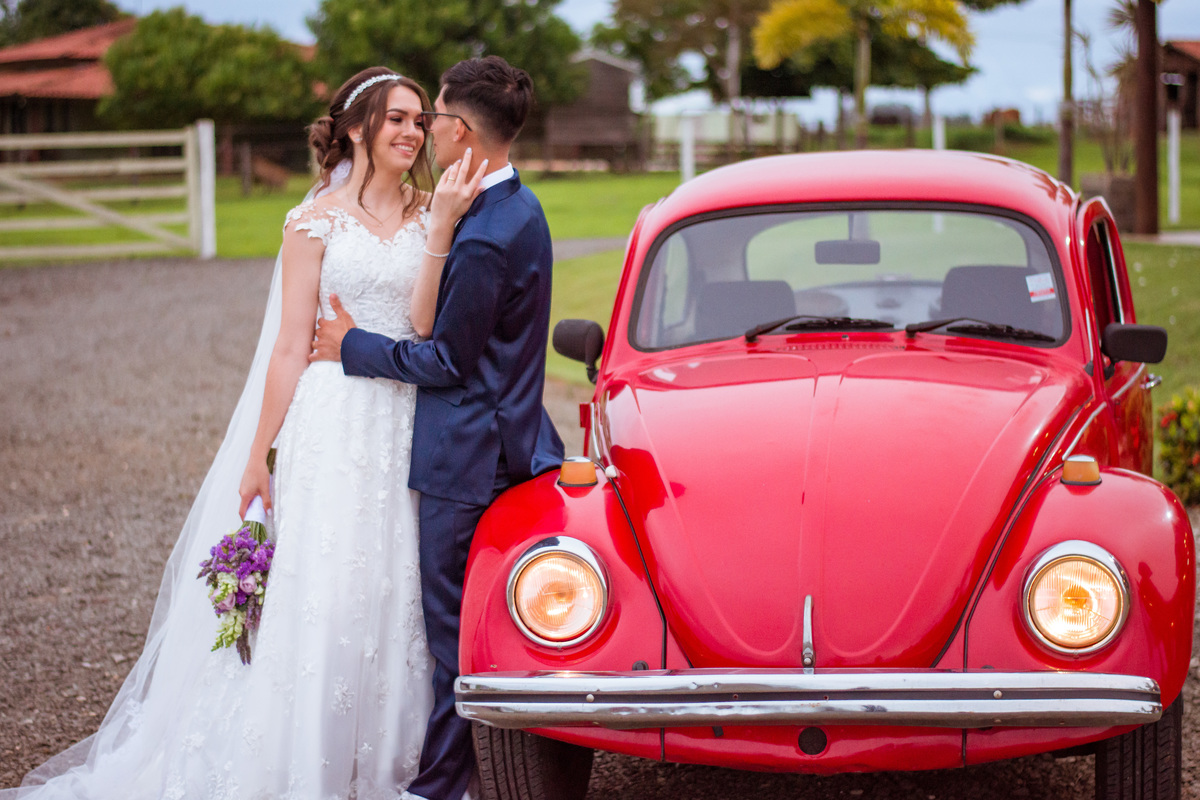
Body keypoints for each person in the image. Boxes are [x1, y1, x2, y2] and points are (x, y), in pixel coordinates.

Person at [2, 66, 484, 800]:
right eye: (396, 119)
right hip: (332, 421)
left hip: (403, 417)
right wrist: (260, 455)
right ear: (357, 128)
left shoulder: (431, 212)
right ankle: (302, 756)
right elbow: (290, 346)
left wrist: (444, 225)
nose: (412, 133)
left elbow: (423, 326)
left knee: (399, 584)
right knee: (329, 583)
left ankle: (398, 761)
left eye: (419, 120)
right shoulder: (311, 222)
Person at [310, 56, 565, 800]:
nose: (426, 131)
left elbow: (448, 357)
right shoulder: (512, 205)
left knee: (453, 629)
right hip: (502, 436)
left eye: (434, 118)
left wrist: (351, 346)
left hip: (467, 455)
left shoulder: (486, 233)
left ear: (462, 130)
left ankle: (441, 786)